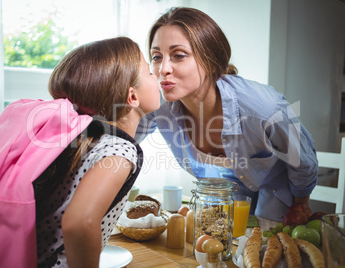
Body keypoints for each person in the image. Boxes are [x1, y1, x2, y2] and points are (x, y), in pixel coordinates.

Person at [0, 37, 160, 268]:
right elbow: (79, 223)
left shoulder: (79, 139)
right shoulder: (121, 150)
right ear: (132, 97)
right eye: (149, 72)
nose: (157, 75)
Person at [136, 7, 318, 222]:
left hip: (276, 191)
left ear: (210, 59)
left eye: (178, 55)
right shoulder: (158, 103)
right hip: (222, 192)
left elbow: (302, 159)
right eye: (157, 57)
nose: (163, 69)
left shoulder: (263, 108)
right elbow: (124, 137)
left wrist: (300, 204)